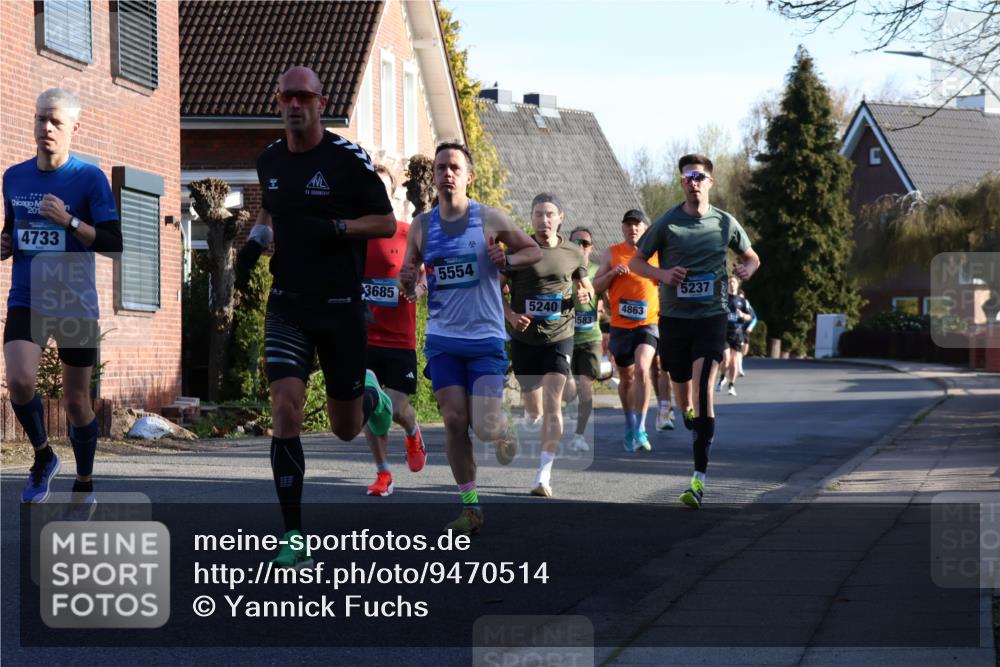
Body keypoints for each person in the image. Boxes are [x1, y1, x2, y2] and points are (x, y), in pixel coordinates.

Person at [234, 66, 396, 567]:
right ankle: (293, 535)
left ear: (320, 103)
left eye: (304, 97)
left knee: (347, 428)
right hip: (288, 304)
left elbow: (386, 221)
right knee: (286, 410)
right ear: (277, 101)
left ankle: (369, 395)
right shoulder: (270, 159)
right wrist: (253, 243)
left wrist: (338, 227)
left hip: (341, 307)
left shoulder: (347, 159)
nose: (295, 105)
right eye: (287, 97)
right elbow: (270, 214)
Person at [398, 142, 541, 535]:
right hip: (443, 337)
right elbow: (414, 277)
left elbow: (533, 251)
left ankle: (503, 428)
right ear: (434, 176)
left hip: (485, 337)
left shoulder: (488, 218)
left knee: (485, 425)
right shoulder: (423, 226)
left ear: (468, 176)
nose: (447, 173)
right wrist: (410, 285)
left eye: (454, 167)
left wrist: (507, 261)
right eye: (441, 167)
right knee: (454, 420)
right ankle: (470, 507)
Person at [2, 88, 123, 514]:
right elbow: (13, 229)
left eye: (55, 121)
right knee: (18, 380)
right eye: (40, 119)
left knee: (77, 402)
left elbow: (112, 242)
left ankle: (84, 483)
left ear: (74, 127)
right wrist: (5, 242)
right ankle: (42, 456)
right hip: (28, 296)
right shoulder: (14, 177)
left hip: (74, 301)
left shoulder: (89, 178)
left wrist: (69, 220)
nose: (46, 128)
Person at [630, 154, 760, 509]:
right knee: (676, 371)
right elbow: (635, 261)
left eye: (699, 176)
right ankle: (684, 407)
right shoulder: (668, 223)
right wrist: (662, 276)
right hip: (674, 317)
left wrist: (746, 269)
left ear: (709, 182)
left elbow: (752, 257)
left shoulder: (724, 222)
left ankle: (698, 480)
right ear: (682, 183)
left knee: (704, 389)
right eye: (687, 177)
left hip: (712, 316)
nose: (693, 182)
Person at [502, 195, 590, 497]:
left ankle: (543, 475)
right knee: (534, 408)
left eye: (550, 214)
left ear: (560, 217)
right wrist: (511, 315)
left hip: (559, 335)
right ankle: (529, 417)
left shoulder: (574, 252)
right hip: (525, 339)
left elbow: (583, 283)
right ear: (532, 217)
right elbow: (492, 287)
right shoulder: (518, 250)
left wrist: (585, 293)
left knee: (554, 404)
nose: (544, 220)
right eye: (538, 214)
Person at [361, 165, 427, 497]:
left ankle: (413, 431)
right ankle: (383, 472)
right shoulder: (356, 236)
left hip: (399, 338)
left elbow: (425, 274)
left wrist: (418, 289)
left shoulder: (408, 232)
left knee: (398, 408)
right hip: (365, 335)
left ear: (392, 193)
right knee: (370, 404)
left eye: (381, 186)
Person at [592, 209, 660, 452]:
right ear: (623, 228)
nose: (633, 229)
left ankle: (641, 427)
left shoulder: (656, 254)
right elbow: (595, 286)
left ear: (645, 228)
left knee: (642, 369)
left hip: (648, 323)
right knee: (627, 377)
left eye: (637, 225)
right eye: (629, 225)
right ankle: (630, 424)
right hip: (621, 325)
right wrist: (611, 274)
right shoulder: (612, 253)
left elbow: (666, 279)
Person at [563, 226, 604, 452]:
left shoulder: (598, 271)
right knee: (568, 388)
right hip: (564, 335)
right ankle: (569, 407)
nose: (580, 247)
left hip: (590, 337)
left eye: (585, 243)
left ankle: (579, 434)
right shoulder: (562, 270)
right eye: (576, 242)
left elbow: (606, 304)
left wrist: (602, 311)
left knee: (585, 385)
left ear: (591, 248)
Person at [718, 276, 754, 397]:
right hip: (725, 333)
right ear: (727, 286)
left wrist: (742, 315)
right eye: (730, 283)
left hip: (737, 334)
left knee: (734, 363)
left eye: (733, 282)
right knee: (726, 359)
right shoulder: (723, 299)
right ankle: (722, 377)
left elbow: (751, 317)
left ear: (737, 285)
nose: (732, 285)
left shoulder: (743, 301)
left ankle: (731, 385)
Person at [738, 289, 757, 377]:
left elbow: (754, 318)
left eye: (742, 297)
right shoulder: (732, 304)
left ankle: (737, 363)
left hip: (746, 330)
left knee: (744, 351)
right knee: (738, 349)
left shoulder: (746, 305)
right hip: (737, 330)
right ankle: (739, 368)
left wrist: (750, 327)